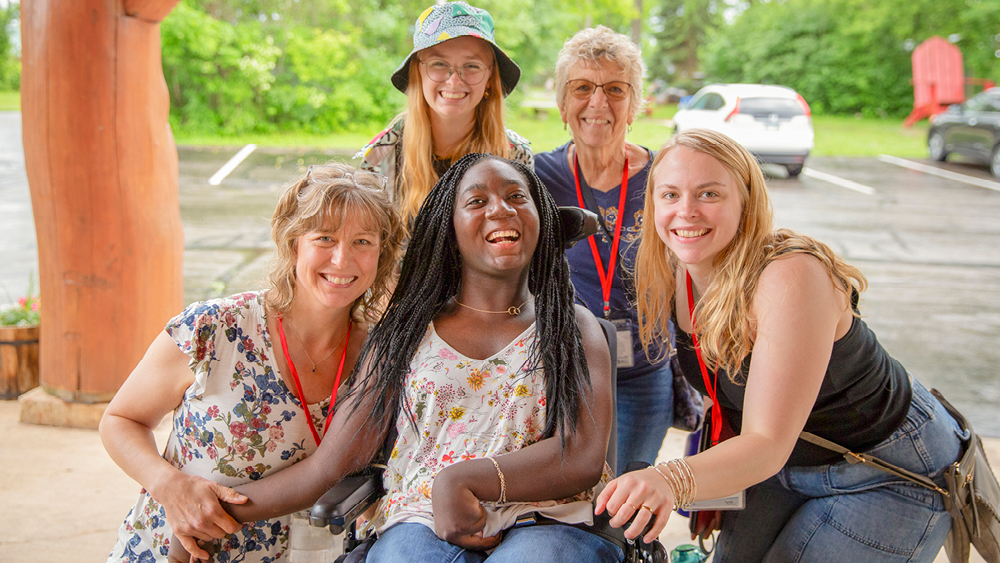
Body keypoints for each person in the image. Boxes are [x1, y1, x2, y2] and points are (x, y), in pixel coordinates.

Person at [169, 153, 621, 563]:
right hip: (419, 521)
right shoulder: (404, 335)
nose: (499, 209)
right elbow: (329, 466)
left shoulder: (571, 328)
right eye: (477, 201)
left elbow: (580, 456)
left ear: (539, 216)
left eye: (516, 196)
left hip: (551, 520)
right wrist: (211, 517)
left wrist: (461, 481)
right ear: (449, 228)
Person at [596, 129, 965, 562]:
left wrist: (673, 479)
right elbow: (730, 392)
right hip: (789, 462)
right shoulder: (682, 265)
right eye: (670, 195)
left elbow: (768, 441)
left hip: (886, 467)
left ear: (746, 203)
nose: (686, 212)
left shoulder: (790, 274)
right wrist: (714, 479)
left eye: (709, 193)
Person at [100, 163, 403, 563]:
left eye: (363, 241)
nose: (342, 258)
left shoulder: (380, 356)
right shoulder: (213, 328)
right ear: (293, 242)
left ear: (382, 253)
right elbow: (120, 420)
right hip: (179, 551)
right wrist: (168, 484)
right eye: (324, 238)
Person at [534, 26, 674, 470]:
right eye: (582, 88)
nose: (598, 103)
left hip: (646, 374)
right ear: (562, 104)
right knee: (571, 500)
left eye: (615, 89)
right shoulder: (536, 179)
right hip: (566, 371)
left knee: (628, 496)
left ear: (635, 105)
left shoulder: (666, 179)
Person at [356, 1, 533, 226]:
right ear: (417, 74)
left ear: (489, 79)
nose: (454, 80)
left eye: (471, 66)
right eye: (439, 63)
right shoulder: (381, 156)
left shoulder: (516, 155)